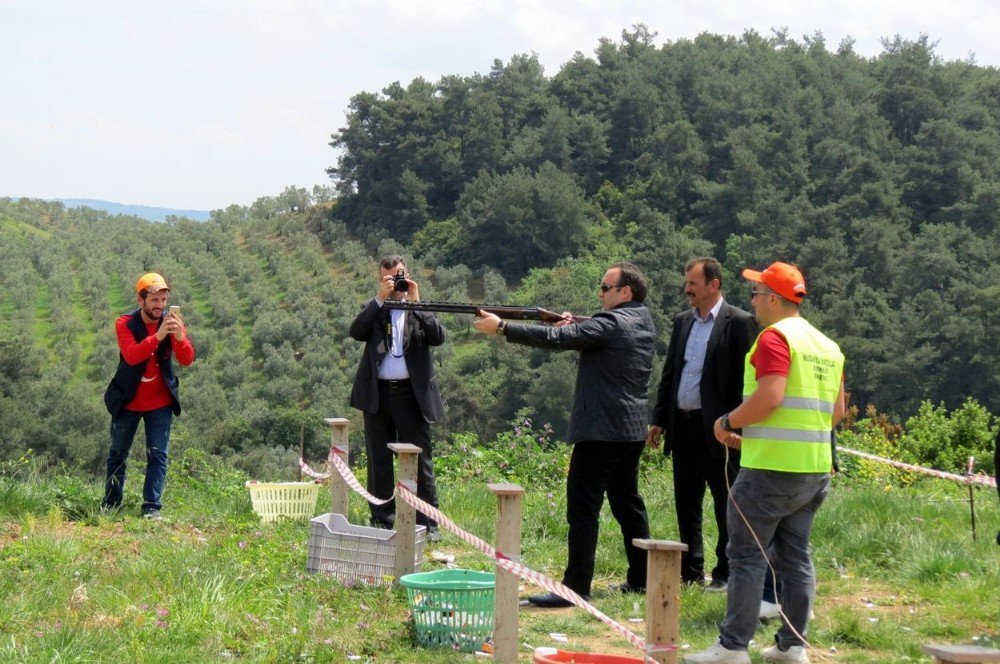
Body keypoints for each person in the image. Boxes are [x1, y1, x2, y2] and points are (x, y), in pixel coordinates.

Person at [683, 262, 845, 664]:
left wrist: (727, 421)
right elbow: (836, 412)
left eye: (756, 293)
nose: (752, 300)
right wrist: (760, 431)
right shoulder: (827, 346)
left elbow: (770, 397)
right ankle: (792, 647)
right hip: (813, 470)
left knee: (746, 557)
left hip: (770, 471)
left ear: (773, 299)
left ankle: (733, 647)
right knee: (795, 557)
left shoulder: (774, 339)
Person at [473, 262, 656, 607]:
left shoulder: (612, 322)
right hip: (630, 429)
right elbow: (588, 332)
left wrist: (503, 328)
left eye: (605, 287)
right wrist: (575, 324)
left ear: (625, 292)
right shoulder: (642, 319)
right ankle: (642, 578)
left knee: (583, 508)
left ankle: (575, 588)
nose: (599, 293)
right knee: (627, 504)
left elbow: (558, 339)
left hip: (601, 431)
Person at [647, 258, 759, 591]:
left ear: (714, 284)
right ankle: (691, 571)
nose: (687, 289)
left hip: (721, 430)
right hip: (683, 425)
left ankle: (725, 572)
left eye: (693, 283)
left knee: (726, 501)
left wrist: (738, 426)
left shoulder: (739, 322)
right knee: (686, 501)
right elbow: (671, 372)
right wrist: (658, 418)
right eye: (687, 283)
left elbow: (747, 381)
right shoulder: (683, 321)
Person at [349, 256, 445, 541]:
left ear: (409, 275)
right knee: (378, 457)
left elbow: (438, 337)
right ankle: (382, 519)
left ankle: (427, 523)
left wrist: (416, 301)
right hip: (377, 394)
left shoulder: (417, 308)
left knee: (420, 459)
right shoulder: (374, 308)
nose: (395, 283)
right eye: (388, 279)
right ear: (380, 280)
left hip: (411, 396)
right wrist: (379, 299)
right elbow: (356, 331)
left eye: (399, 276)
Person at [102, 272, 195, 518]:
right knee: (118, 454)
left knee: (158, 455)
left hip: (160, 403)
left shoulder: (172, 322)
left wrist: (180, 337)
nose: (160, 306)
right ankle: (111, 504)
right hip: (128, 400)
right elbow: (131, 355)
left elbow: (186, 360)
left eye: (163, 300)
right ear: (140, 300)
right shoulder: (124, 323)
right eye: (154, 300)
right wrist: (159, 335)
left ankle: (151, 508)